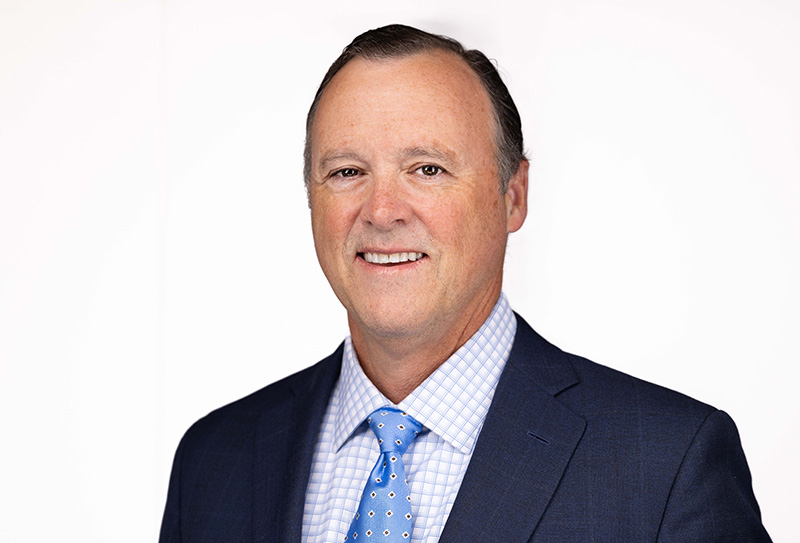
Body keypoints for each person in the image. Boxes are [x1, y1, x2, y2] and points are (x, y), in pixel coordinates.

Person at [159, 24, 771, 542]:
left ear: (513, 196)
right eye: (347, 171)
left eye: (428, 169)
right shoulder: (213, 462)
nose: (382, 211)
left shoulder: (666, 468)